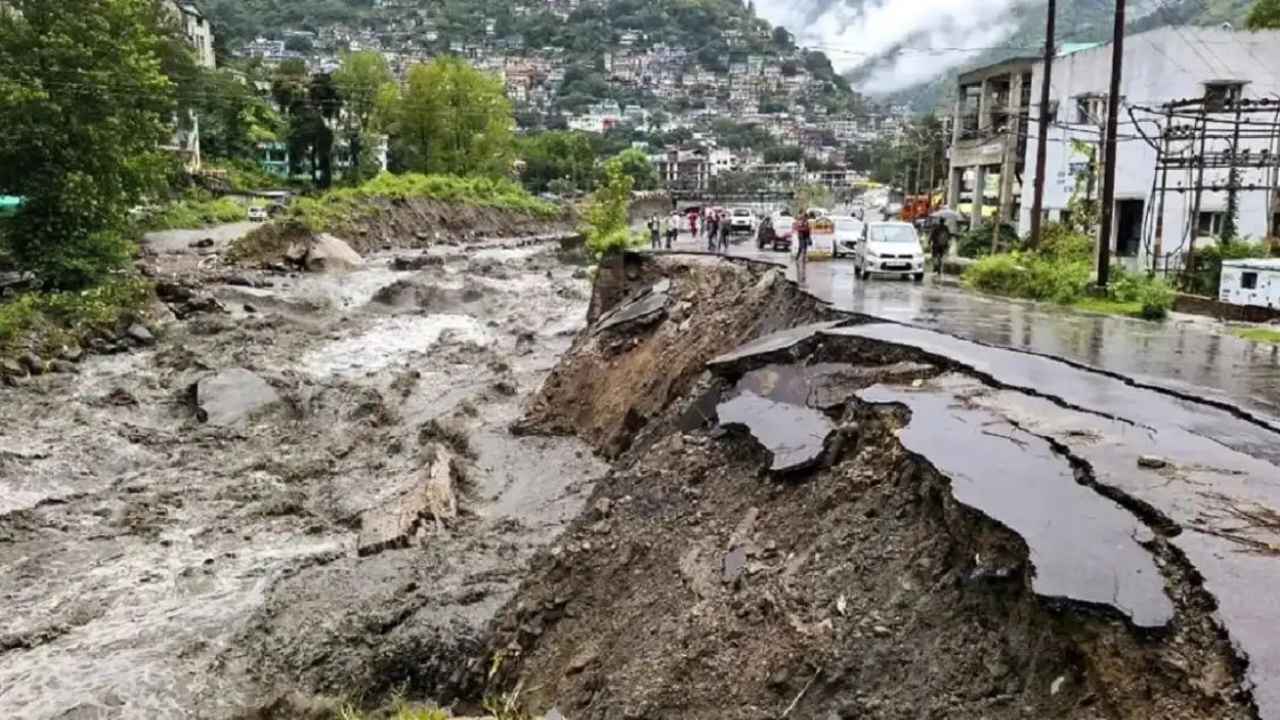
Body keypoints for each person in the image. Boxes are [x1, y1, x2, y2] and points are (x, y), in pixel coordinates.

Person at [794, 211, 812, 282]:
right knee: (801, 247)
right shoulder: (801, 222)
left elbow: (808, 230)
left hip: (805, 236)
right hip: (801, 236)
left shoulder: (806, 222)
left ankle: (802, 258)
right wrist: (805, 229)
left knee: (804, 248)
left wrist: (808, 234)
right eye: (806, 217)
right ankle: (799, 258)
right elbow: (799, 229)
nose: (806, 218)